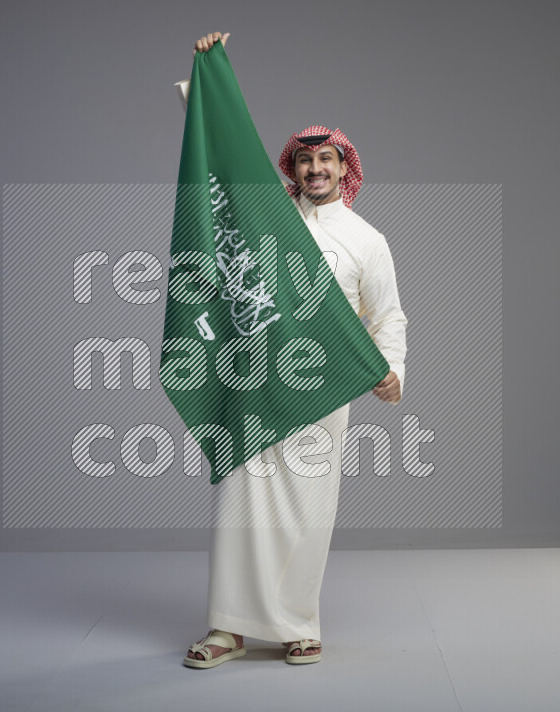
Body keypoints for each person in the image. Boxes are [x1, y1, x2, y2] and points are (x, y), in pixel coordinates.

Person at [178, 32, 407, 668]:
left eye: (326, 162)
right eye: (305, 162)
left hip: (322, 386)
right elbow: (220, 156)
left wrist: (393, 370)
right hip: (255, 378)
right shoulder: (266, 216)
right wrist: (206, 79)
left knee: (309, 506)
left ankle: (298, 623)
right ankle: (227, 627)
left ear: (344, 168)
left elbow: (387, 314)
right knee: (238, 502)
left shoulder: (368, 241)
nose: (315, 171)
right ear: (293, 169)